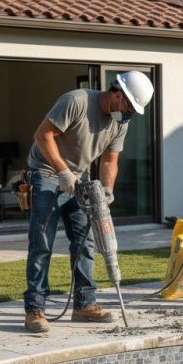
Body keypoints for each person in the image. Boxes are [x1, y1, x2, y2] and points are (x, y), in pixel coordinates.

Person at [23, 71, 154, 333]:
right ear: (117, 93)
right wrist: (63, 172)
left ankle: (84, 305)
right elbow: (43, 135)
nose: (128, 113)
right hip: (45, 172)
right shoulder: (77, 101)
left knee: (86, 241)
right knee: (42, 242)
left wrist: (107, 190)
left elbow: (110, 160)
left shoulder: (120, 122)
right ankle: (35, 310)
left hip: (79, 178)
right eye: (128, 106)